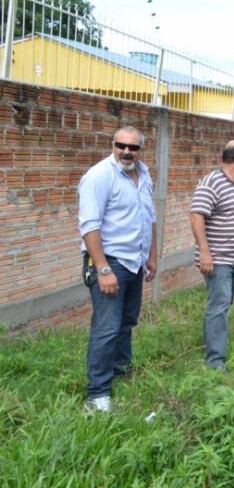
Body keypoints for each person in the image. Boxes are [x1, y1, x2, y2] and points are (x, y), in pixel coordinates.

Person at [77, 125, 158, 413]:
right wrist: (102, 269)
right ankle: (97, 394)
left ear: (140, 149)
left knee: (126, 322)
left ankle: (121, 373)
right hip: (109, 263)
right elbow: (89, 226)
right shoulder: (99, 177)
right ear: (112, 145)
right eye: (120, 145)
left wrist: (152, 256)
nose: (126, 151)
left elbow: (149, 218)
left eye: (133, 147)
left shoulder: (144, 175)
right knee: (106, 328)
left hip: (134, 262)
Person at [190, 140, 234, 371]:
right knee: (218, 306)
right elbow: (197, 215)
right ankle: (215, 362)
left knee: (222, 305)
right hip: (219, 260)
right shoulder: (212, 182)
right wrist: (205, 252)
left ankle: (212, 345)